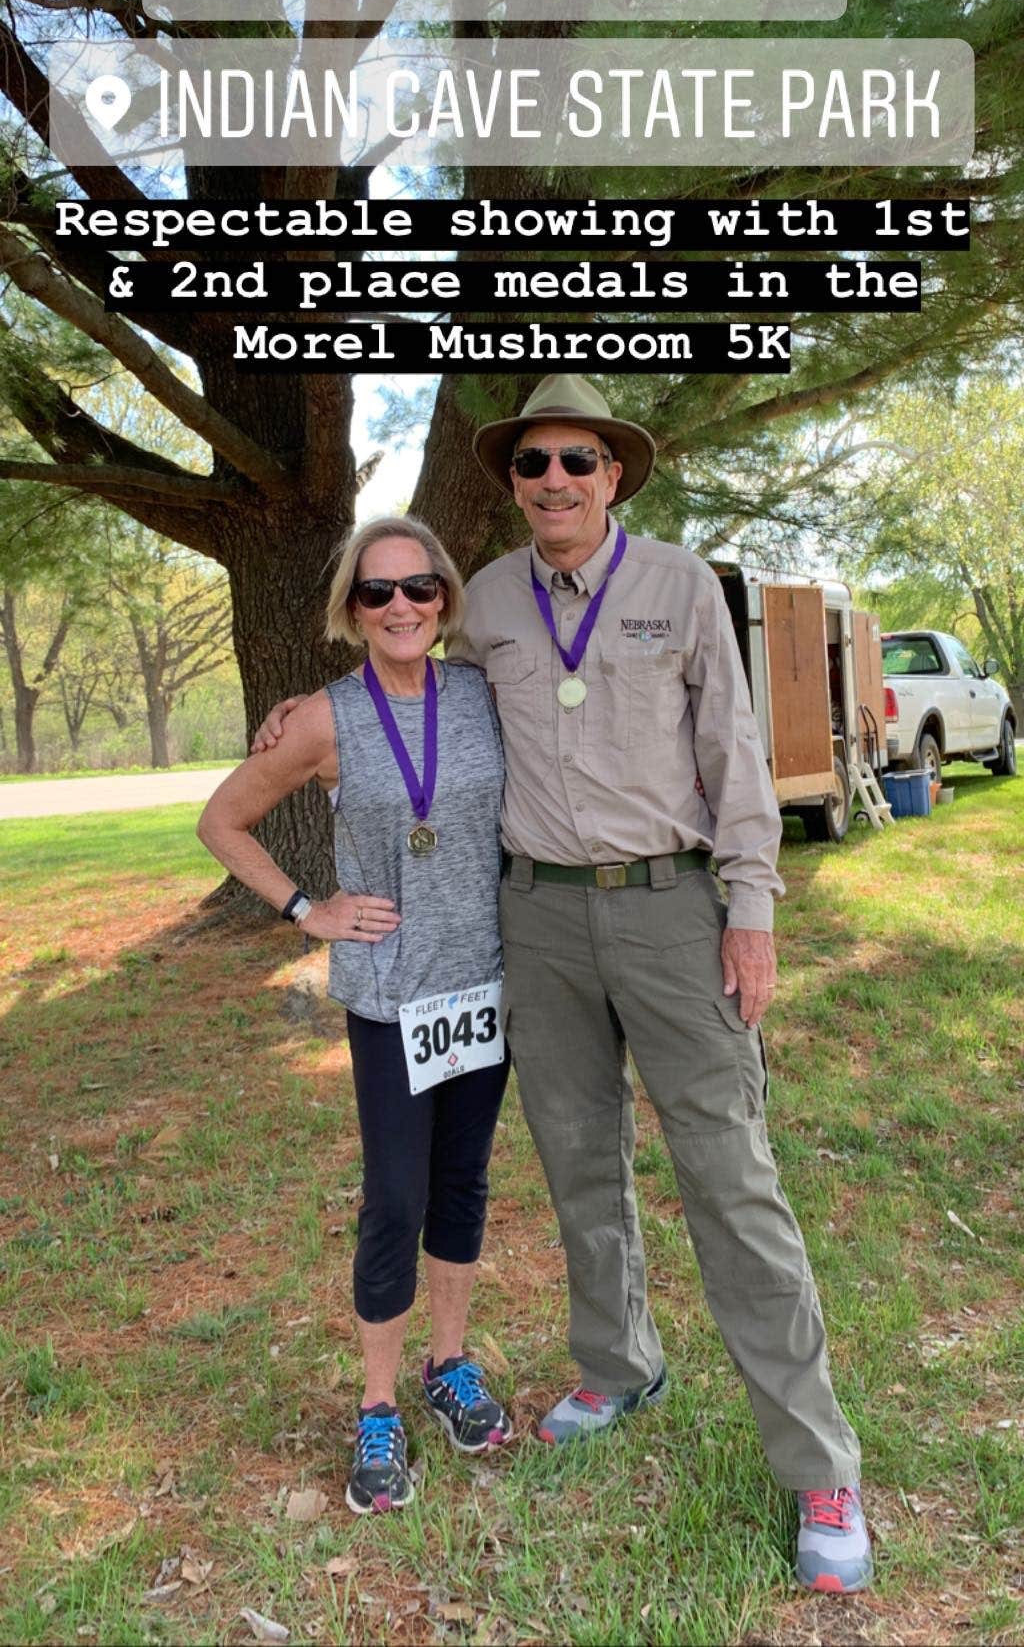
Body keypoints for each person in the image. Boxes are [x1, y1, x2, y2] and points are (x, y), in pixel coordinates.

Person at [255, 378, 872, 1595]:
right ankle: (616, 1360)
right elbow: (404, 672)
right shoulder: (482, 600)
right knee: (579, 1158)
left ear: (613, 474)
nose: (553, 479)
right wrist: (306, 713)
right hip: (529, 915)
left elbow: (733, 755)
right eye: (532, 462)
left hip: (667, 907)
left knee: (729, 1176)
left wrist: (749, 908)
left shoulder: (680, 587)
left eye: (576, 460)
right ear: (515, 479)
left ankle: (818, 1466)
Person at [198, 515, 512, 1517]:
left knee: (463, 1180)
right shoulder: (322, 718)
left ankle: (449, 1362)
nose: (401, 605)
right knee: (396, 1195)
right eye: (377, 592)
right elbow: (221, 819)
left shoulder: (481, 691)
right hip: (390, 994)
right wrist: (306, 911)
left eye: (419, 585)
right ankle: (377, 1401)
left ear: (444, 595)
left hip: (484, 983)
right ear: (350, 608)